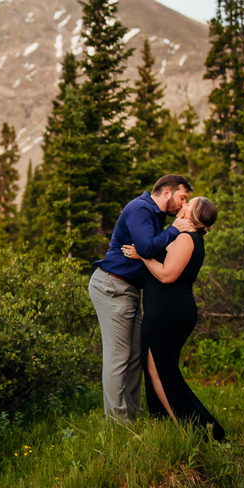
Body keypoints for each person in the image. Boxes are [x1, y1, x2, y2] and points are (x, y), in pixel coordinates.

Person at [88, 175, 195, 420]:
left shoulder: (156, 215)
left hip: (129, 290)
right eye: (182, 197)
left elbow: (152, 249)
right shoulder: (141, 209)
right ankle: (118, 423)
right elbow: (147, 248)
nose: (182, 204)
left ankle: (133, 415)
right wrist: (174, 229)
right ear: (167, 192)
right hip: (112, 286)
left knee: (136, 355)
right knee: (118, 356)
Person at [122, 196, 225, 441]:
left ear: (194, 215)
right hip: (167, 312)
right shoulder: (184, 237)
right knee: (161, 370)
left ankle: (196, 431)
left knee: (160, 372)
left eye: (188, 204)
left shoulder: (188, 239)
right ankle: (179, 425)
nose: (183, 205)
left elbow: (167, 275)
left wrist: (143, 256)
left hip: (168, 314)